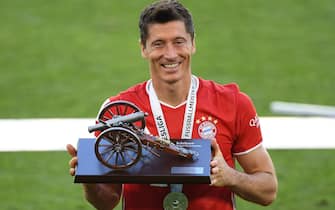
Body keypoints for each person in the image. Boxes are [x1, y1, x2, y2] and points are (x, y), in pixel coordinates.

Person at [67, 0, 278, 209]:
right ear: (143, 48)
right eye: (159, 43)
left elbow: (268, 191)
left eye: (178, 41)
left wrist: (231, 177)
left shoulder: (233, 103)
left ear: (193, 43)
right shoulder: (118, 108)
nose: (170, 54)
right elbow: (107, 202)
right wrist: (89, 179)